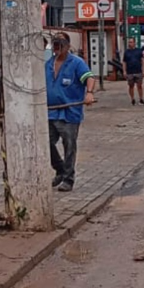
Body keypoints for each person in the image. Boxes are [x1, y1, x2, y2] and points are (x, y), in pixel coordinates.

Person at [46, 32, 97, 192]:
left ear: (67, 46)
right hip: (50, 113)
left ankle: (68, 178)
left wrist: (89, 93)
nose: (57, 47)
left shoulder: (76, 63)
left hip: (69, 113)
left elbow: (89, 77)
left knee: (69, 146)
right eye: (55, 44)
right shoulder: (48, 64)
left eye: (60, 44)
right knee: (46, 143)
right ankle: (60, 169)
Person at [122, 38, 144, 106]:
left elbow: (143, 61)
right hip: (130, 72)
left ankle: (141, 99)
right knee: (131, 86)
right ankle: (132, 99)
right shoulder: (126, 52)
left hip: (138, 71)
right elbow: (124, 62)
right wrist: (124, 71)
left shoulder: (139, 51)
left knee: (139, 86)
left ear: (134, 43)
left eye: (131, 42)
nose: (130, 44)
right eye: (129, 42)